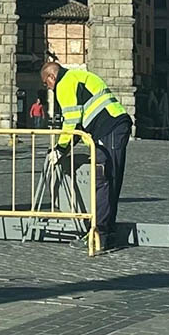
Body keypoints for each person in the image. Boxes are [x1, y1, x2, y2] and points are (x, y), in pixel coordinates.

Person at [41, 62, 132, 251]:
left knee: (103, 179)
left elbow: (71, 121)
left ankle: (99, 235)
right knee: (110, 179)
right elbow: (78, 123)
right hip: (114, 126)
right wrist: (65, 148)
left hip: (108, 128)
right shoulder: (77, 76)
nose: (48, 87)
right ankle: (106, 232)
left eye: (46, 83)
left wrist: (60, 149)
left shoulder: (64, 83)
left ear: (51, 77)